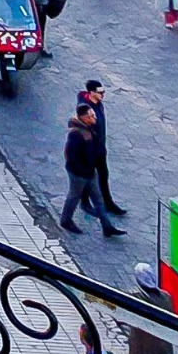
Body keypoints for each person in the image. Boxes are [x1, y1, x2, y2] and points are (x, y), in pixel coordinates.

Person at [60, 102, 125, 237]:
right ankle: (66, 220)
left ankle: (107, 226)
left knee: (98, 198)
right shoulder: (76, 134)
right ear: (83, 118)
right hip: (79, 174)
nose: (94, 119)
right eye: (91, 116)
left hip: (90, 171)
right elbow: (72, 156)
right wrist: (82, 172)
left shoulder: (89, 128)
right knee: (74, 196)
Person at [79, 81, 127, 218]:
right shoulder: (85, 110)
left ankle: (108, 202)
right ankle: (84, 202)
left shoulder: (98, 104)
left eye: (103, 92)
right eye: (100, 92)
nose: (103, 95)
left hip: (100, 148)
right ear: (92, 93)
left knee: (103, 175)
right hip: (89, 150)